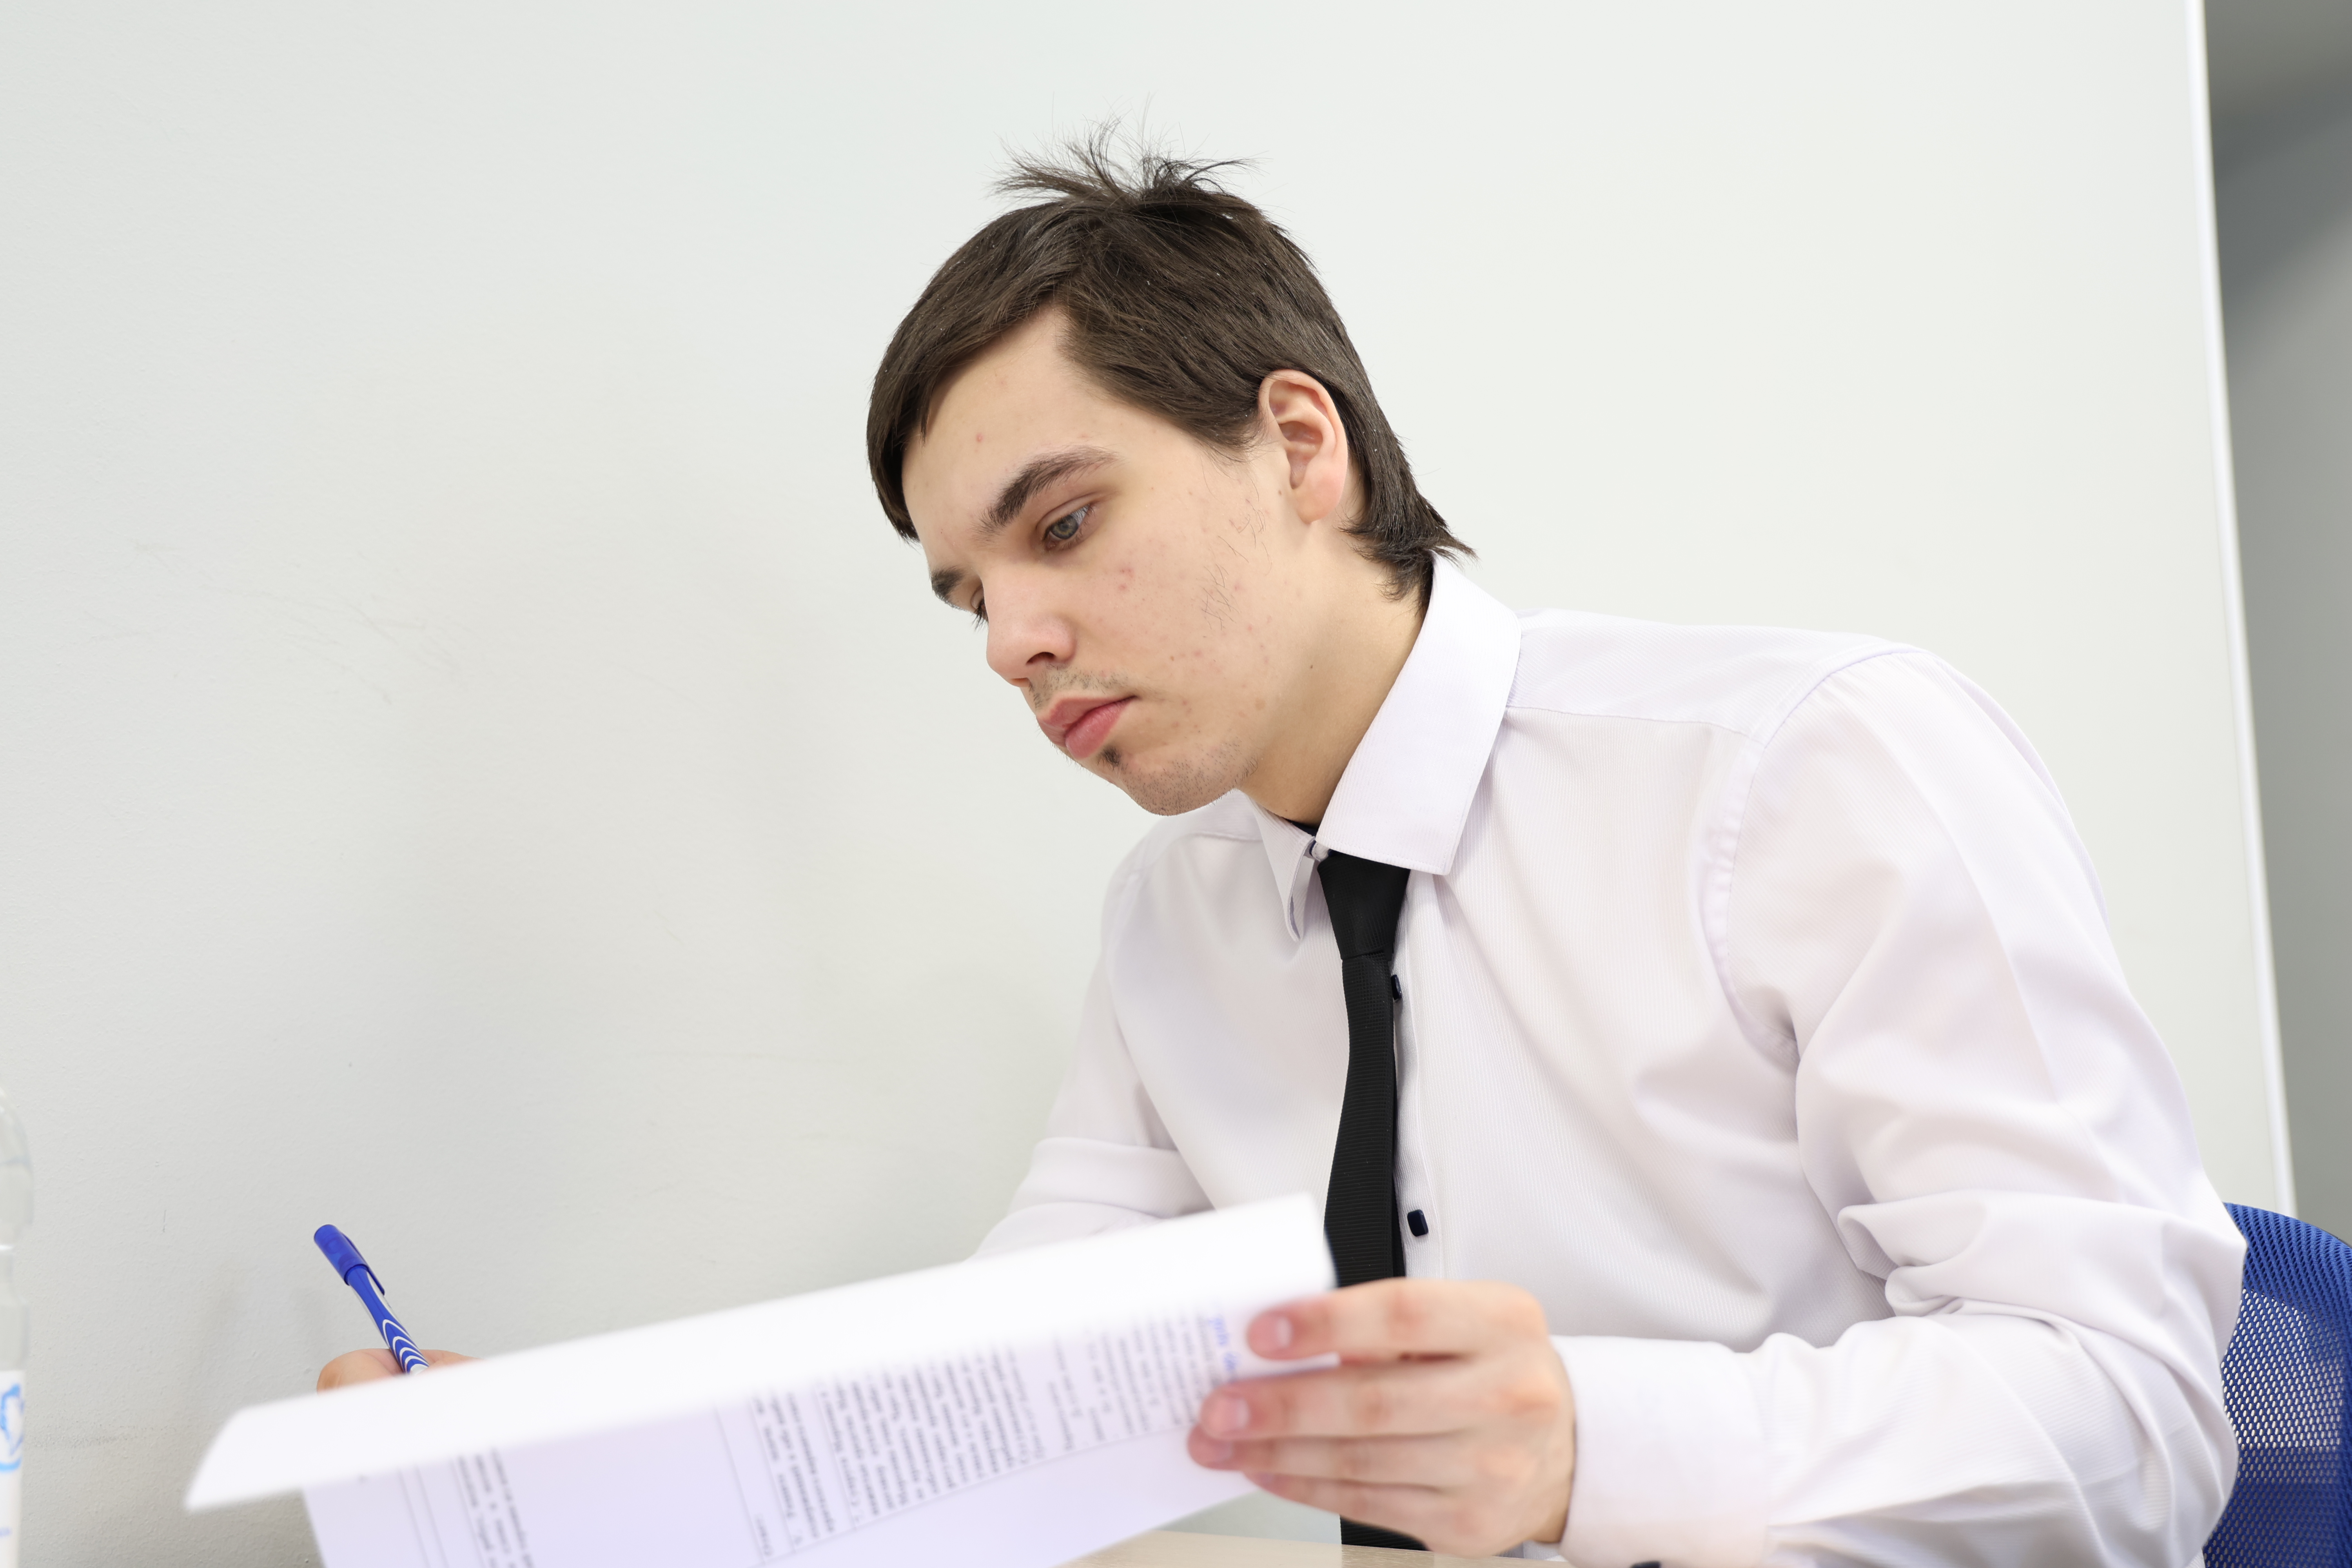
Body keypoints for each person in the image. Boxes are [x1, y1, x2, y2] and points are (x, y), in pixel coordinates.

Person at [327, 140, 2247, 1566]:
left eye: (1060, 527)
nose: (1011, 643)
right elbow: (995, 1389)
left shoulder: (1811, 764)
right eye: (970, 595)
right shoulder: (1177, 920)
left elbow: (2139, 1416)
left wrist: (1586, 1440)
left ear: (1299, 444)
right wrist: (577, 1469)